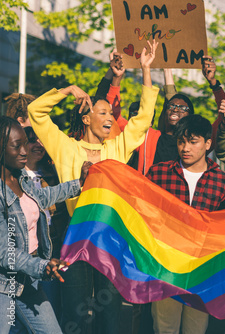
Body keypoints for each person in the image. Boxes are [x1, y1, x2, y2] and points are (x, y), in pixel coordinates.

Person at [27, 41, 159, 334]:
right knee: (74, 315)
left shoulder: (118, 147)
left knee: (110, 316)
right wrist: (68, 89)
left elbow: (143, 120)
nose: (110, 118)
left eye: (111, 114)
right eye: (102, 113)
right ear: (86, 118)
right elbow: (36, 112)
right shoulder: (65, 147)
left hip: (109, 242)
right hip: (74, 241)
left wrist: (146, 69)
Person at [0, 117, 90, 334]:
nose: (25, 151)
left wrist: (79, 183)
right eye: (17, 146)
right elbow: (4, 252)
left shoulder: (21, 178)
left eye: (25, 143)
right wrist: (41, 266)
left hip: (28, 281)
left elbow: (44, 196)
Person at [146, 114, 225, 334]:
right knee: (165, 327)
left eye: (193, 142)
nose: (185, 148)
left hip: (202, 269)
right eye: (181, 141)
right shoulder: (159, 173)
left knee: (196, 328)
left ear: (208, 143)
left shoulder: (221, 180)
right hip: (167, 266)